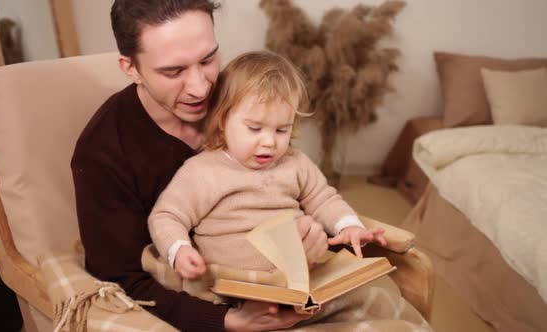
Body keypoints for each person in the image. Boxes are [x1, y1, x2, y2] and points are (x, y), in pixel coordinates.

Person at [71, 0, 330, 331]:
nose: (201, 88)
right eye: (173, 71)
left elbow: (290, 183)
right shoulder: (102, 153)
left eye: (208, 59)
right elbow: (120, 279)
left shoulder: (240, 97)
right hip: (198, 308)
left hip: (284, 283)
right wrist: (227, 320)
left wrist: (310, 238)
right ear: (130, 67)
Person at [149, 51, 387, 281]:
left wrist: (349, 226)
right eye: (255, 128)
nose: (269, 142)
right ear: (222, 120)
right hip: (229, 280)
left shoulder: (295, 163)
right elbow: (167, 216)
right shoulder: (202, 171)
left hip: (293, 277)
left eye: (282, 130)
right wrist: (179, 250)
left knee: (359, 279)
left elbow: (325, 200)